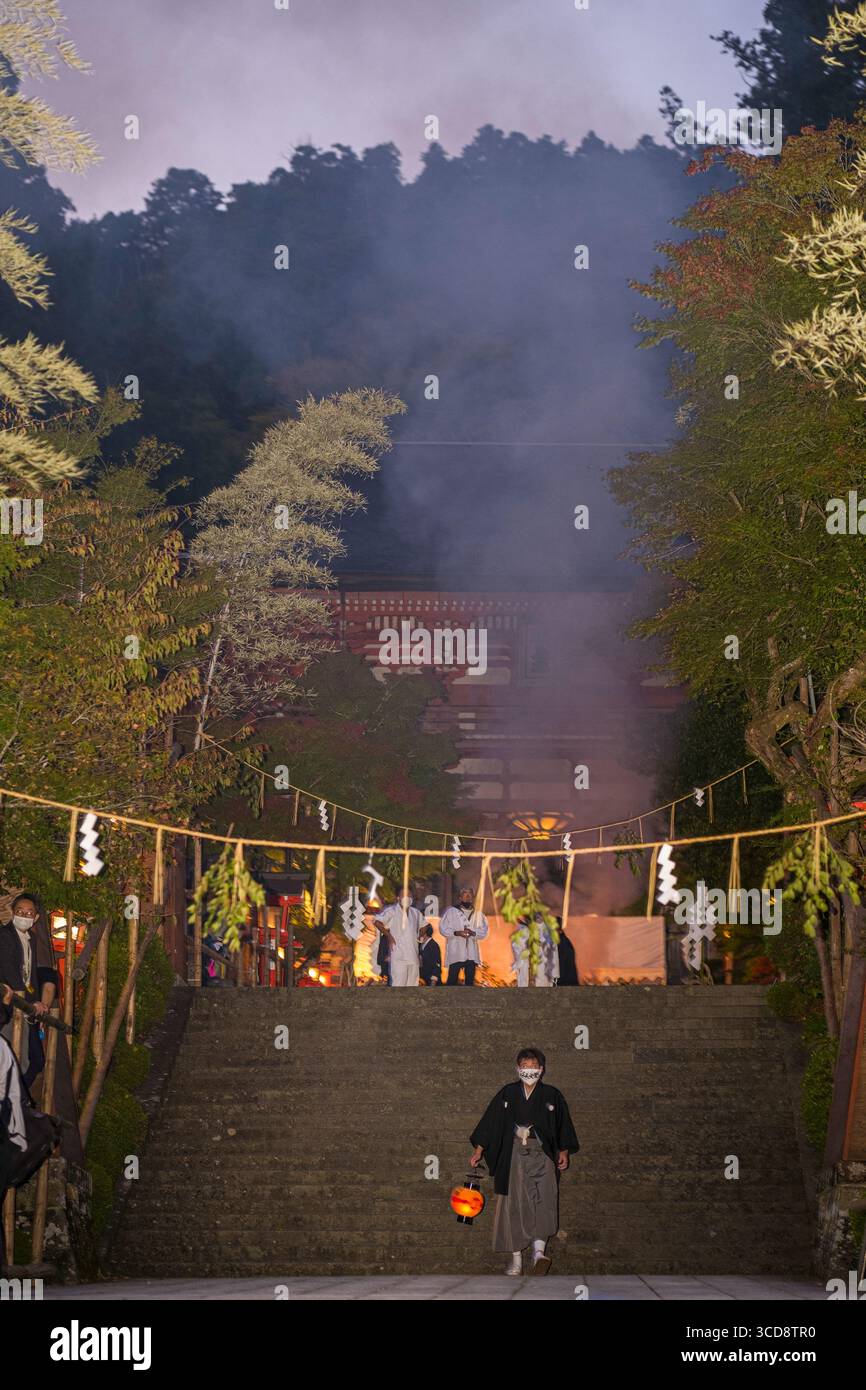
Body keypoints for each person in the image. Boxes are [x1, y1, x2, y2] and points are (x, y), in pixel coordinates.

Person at [469, 1046, 578, 1276]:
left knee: (545, 1198)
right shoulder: (508, 1093)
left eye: (533, 1067)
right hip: (514, 1154)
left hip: (543, 1154)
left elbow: (562, 1125)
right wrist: (479, 1150)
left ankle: (539, 1253)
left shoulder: (552, 1095)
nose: (529, 1071)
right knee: (514, 1203)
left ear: (542, 1069)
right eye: (525, 1067)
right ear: (517, 1069)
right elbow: (490, 1123)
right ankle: (516, 1259)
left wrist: (564, 1151)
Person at [0, 894, 57, 1090]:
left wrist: (37, 1003)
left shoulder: (31, 938)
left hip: (25, 1007)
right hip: (8, 1005)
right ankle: (13, 1103)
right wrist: (28, 1001)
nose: (24, 916)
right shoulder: (5, 935)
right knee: (16, 1060)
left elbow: (30, 976)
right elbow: (9, 971)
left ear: (36, 917)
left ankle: (17, 1101)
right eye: (20, 912)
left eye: (29, 913)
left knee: (34, 1060)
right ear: (12, 913)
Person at [439, 886, 489, 985]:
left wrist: (473, 932)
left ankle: (468, 1000)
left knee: (470, 982)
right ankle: (449, 1000)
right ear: (460, 897)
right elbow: (443, 928)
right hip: (456, 952)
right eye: (465, 894)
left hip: (471, 954)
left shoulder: (478, 915)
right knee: (452, 981)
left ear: (473, 897)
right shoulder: (451, 912)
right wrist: (457, 933)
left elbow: (483, 931)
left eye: (470, 894)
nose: (467, 896)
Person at [372, 893, 422, 987]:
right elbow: (377, 922)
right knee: (398, 983)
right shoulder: (391, 913)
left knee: (411, 983)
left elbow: (424, 926)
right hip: (396, 958)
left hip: (411, 958)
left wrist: (419, 937)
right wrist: (389, 937)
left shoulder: (415, 914)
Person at [511, 916, 560, 988]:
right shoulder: (523, 931)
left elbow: (553, 952)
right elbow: (516, 945)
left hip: (543, 973)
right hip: (527, 970)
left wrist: (554, 974)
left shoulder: (548, 932)